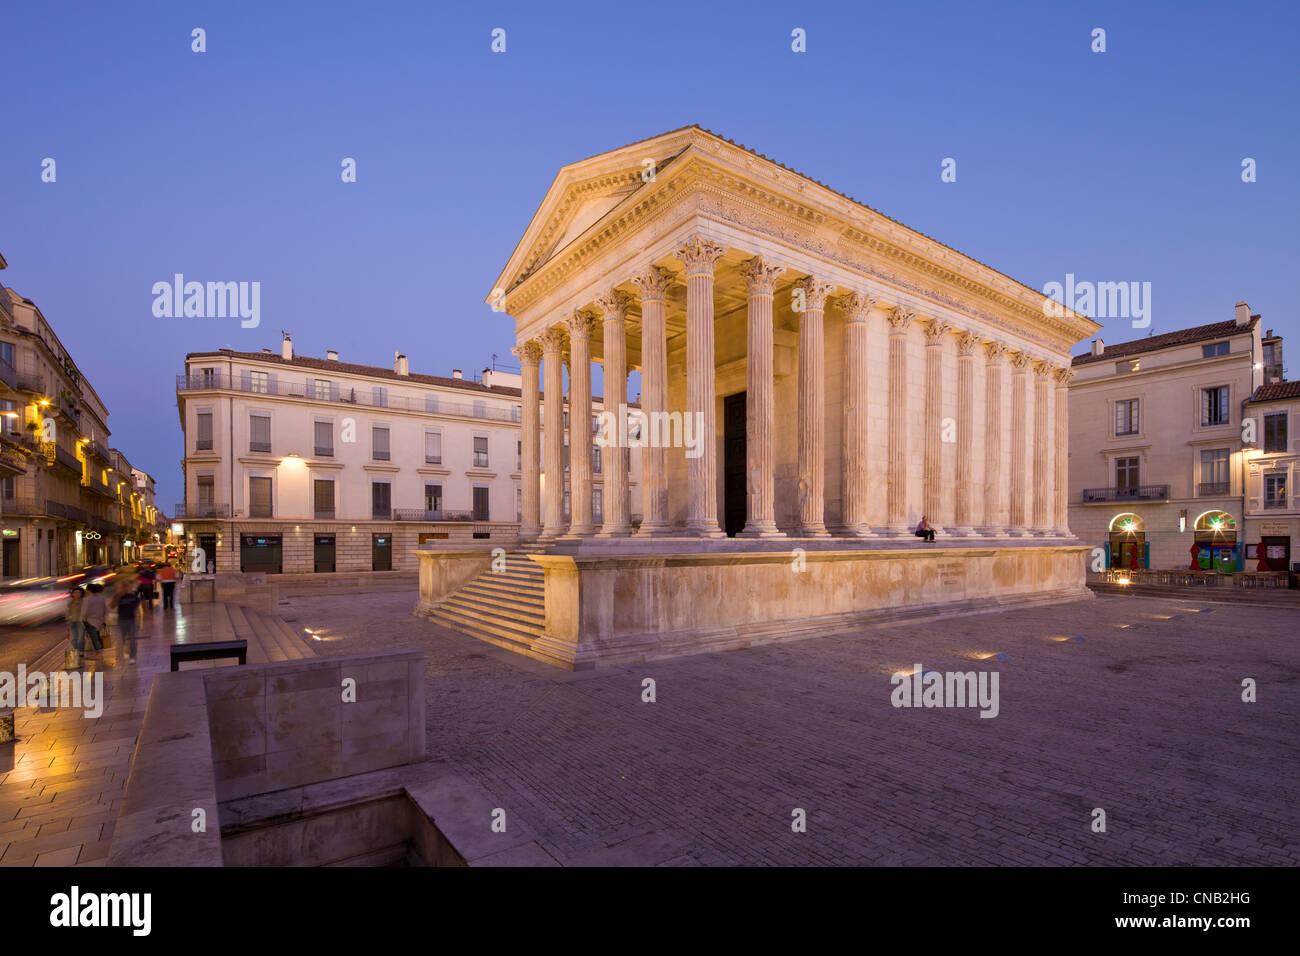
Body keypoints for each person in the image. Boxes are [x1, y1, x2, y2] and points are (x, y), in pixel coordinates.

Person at [111, 576, 141, 664]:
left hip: (131, 620)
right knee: (121, 640)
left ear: (129, 587)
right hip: (121, 620)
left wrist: (139, 620)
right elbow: (112, 606)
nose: (125, 587)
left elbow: (138, 608)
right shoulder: (118, 596)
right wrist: (119, 596)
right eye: (123, 586)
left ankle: (132, 657)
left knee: (132, 639)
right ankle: (120, 656)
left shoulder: (133, 596)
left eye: (126, 586)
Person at [82, 583, 106, 657]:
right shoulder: (101, 598)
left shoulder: (87, 599)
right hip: (99, 620)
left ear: (89, 590)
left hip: (90, 620)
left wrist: (83, 619)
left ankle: (98, 652)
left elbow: (84, 611)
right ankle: (99, 651)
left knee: (94, 637)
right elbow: (104, 609)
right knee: (97, 636)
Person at [67, 588, 86, 667]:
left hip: (80, 622)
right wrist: (68, 620)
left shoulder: (84, 602)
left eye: (78, 592)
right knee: (73, 639)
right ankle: (77, 650)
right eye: (75, 592)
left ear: (81, 594)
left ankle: (80, 651)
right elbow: (68, 612)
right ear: (73, 594)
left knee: (81, 638)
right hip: (72, 622)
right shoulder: (70, 603)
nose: (77, 594)